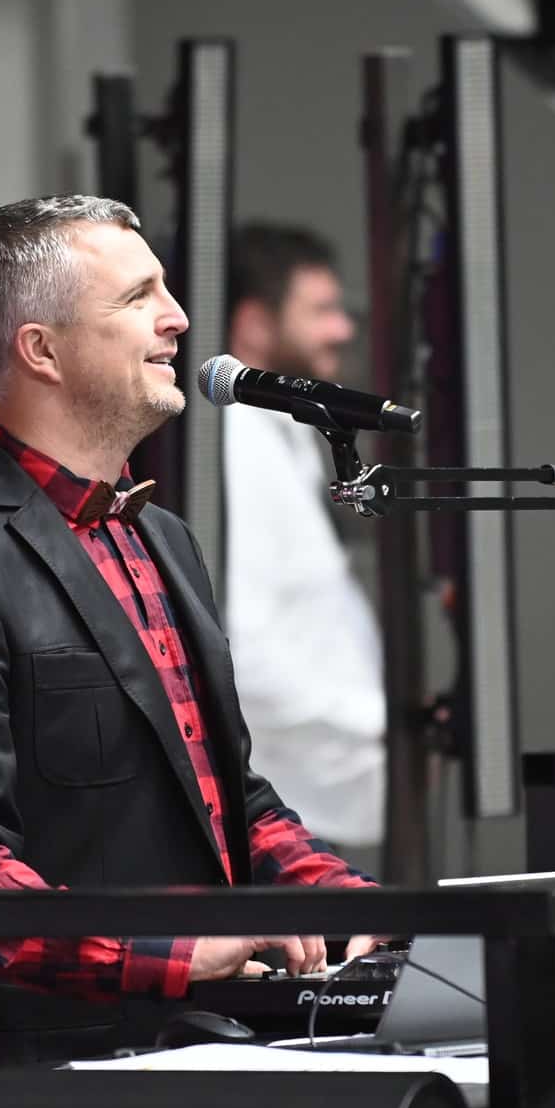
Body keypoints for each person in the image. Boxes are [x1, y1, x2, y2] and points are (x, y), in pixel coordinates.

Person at [0, 195, 379, 1065]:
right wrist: (167, 951)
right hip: (41, 1081)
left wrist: (349, 902)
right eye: (138, 297)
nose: (176, 319)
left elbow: (228, 798)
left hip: (200, 1049)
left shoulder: (163, 540)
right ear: (41, 349)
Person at [220, 224, 386, 868]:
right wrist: (365, 722)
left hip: (311, 805)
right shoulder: (234, 450)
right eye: (321, 311)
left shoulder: (281, 438)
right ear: (256, 324)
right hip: (281, 816)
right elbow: (243, 644)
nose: (342, 330)